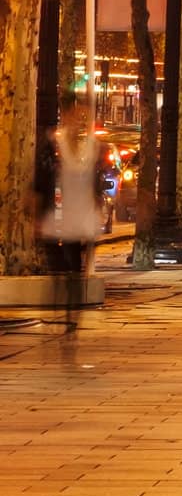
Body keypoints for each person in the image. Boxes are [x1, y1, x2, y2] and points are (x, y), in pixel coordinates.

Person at [31, 93, 105, 329]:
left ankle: (70, 317)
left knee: (75, 267)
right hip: (56, 216)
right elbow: (41, 179)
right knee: (58, 266)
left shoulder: (93, 147)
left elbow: (97, 181)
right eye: (75, 113)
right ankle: (61, 305)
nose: (79, 118)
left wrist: (97, 205)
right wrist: (37, 213)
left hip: (81, 216)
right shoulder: (54, 144)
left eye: (84, 114)